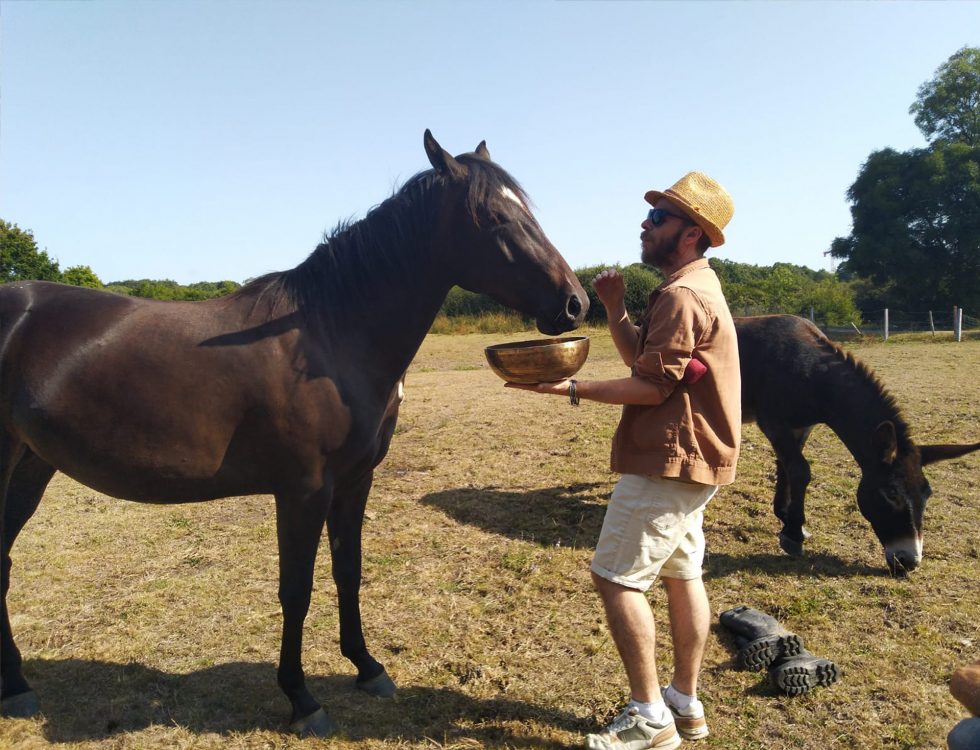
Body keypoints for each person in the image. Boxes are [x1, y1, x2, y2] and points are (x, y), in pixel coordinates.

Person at [507, 172, 740, 750]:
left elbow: (651, 389)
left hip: (670, 458)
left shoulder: (683, 295)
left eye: (659, 218)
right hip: (695, 461)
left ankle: (649, 718)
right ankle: (684, 701)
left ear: (690, 234)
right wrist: (614, 308)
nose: (646, 223)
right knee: (683, 574)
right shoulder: (693, 286)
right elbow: (647, 361)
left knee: (615, 578)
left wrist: (568, 390)